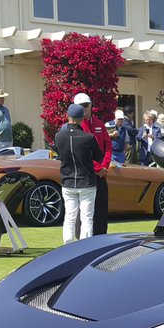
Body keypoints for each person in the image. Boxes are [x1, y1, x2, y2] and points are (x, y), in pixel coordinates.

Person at [55, 103, 101, 243]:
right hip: (86, 181)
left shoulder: (58, 136)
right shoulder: (88, 138)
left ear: (68, 117)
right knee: (86, 218)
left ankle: (67, 246)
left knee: (70, 216)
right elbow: (99, 156)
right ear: (82, 118)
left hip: (68, 181)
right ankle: (85, 247)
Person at [73, 93, 112, 235]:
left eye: (86, 105)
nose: (84, 109)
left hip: (101, 174)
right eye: (80, 106)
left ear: (90, 106)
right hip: (85, 174)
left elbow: (107, 146)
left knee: (101, 208)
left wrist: (104, 166)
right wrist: (97, 168)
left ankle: (101, 237)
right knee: (83, 210)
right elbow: (82, 153)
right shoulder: (76, 127)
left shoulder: (99, 124)